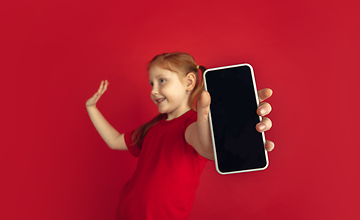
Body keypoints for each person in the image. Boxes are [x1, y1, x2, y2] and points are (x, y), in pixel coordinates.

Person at [85, 52, 274, 220]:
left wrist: (215, 141)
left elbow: (204, 144)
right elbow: (115, 141)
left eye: (162, 80)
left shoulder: (190, 124)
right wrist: (91, 108)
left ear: (189, 82)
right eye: (151, 83)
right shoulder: (152, 127)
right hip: (126, 213)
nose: (153, 90)